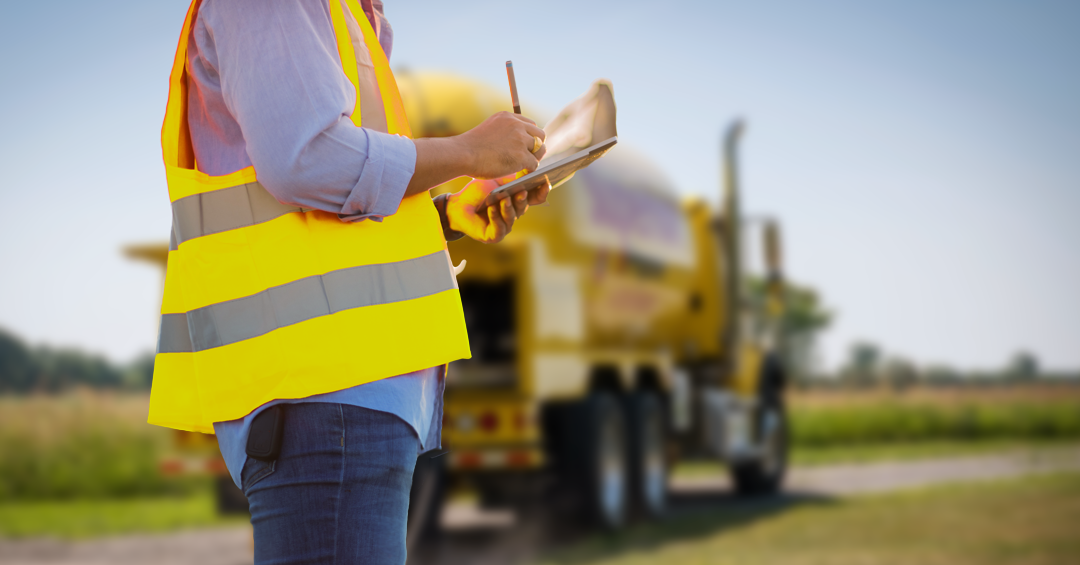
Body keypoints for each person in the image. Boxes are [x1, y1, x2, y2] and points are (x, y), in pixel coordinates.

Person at [147, 0, 549, 562]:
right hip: (324, 399)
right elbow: (306, 158)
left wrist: (444, 218)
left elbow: (330, 206)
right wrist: (467, 152)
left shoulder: (341, 16)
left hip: (338, 401)